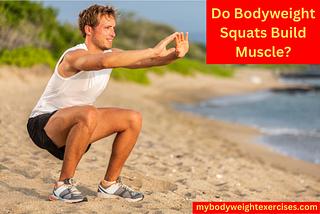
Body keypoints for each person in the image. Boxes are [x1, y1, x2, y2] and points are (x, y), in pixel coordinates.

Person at [27, 3, 189, 203]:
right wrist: (152, 50)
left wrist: (176, 55)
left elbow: (152, 62)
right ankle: (62, 186)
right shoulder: (74, 55)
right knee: (89, 112)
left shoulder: (111, 54)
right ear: (89, 30)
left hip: (79, 129)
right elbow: (102, 62)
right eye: (107, 28)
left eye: (113, 28)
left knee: (132, 118)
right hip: (43, 126)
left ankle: (110, 185)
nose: (112, 33)